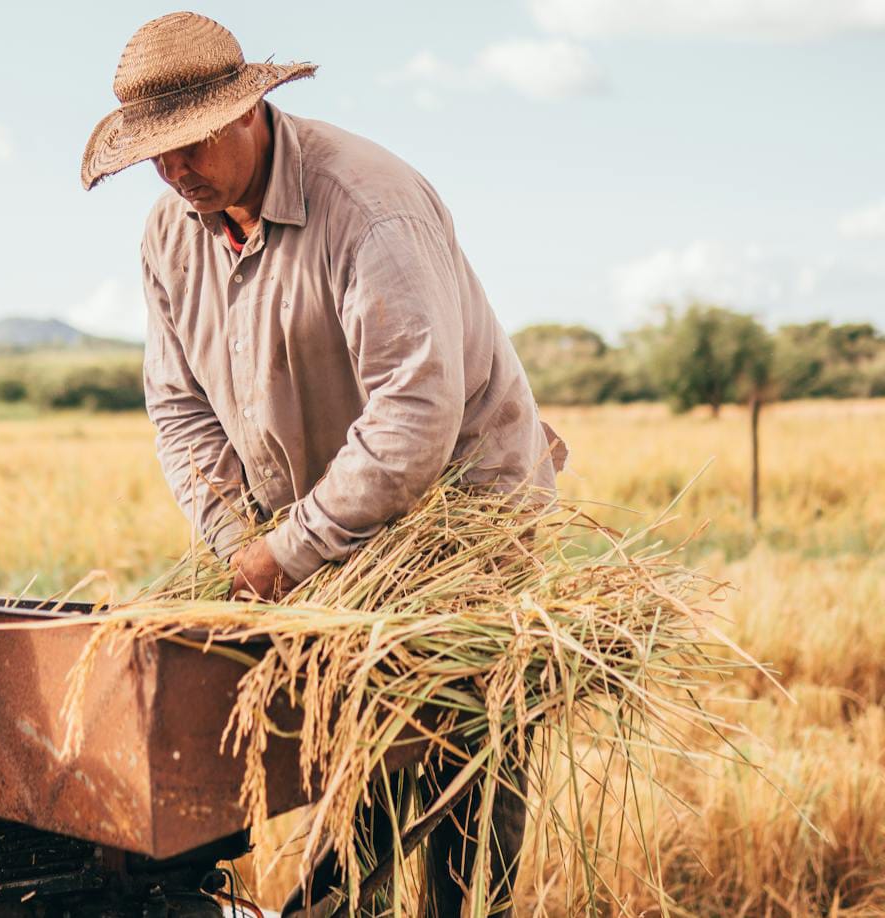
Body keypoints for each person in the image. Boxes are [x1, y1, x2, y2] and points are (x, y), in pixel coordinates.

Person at [82, 12, 565, 915]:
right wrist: (240, 542)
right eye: (155, 154)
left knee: (465, 765)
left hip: (458, 524)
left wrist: (290, 550)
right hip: (321, 540)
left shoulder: (365, 205)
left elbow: (415, 414)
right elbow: (180, 408)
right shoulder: (169, 234)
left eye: (188, 146)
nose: (174, 170)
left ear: (247, 110)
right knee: (357, 762)